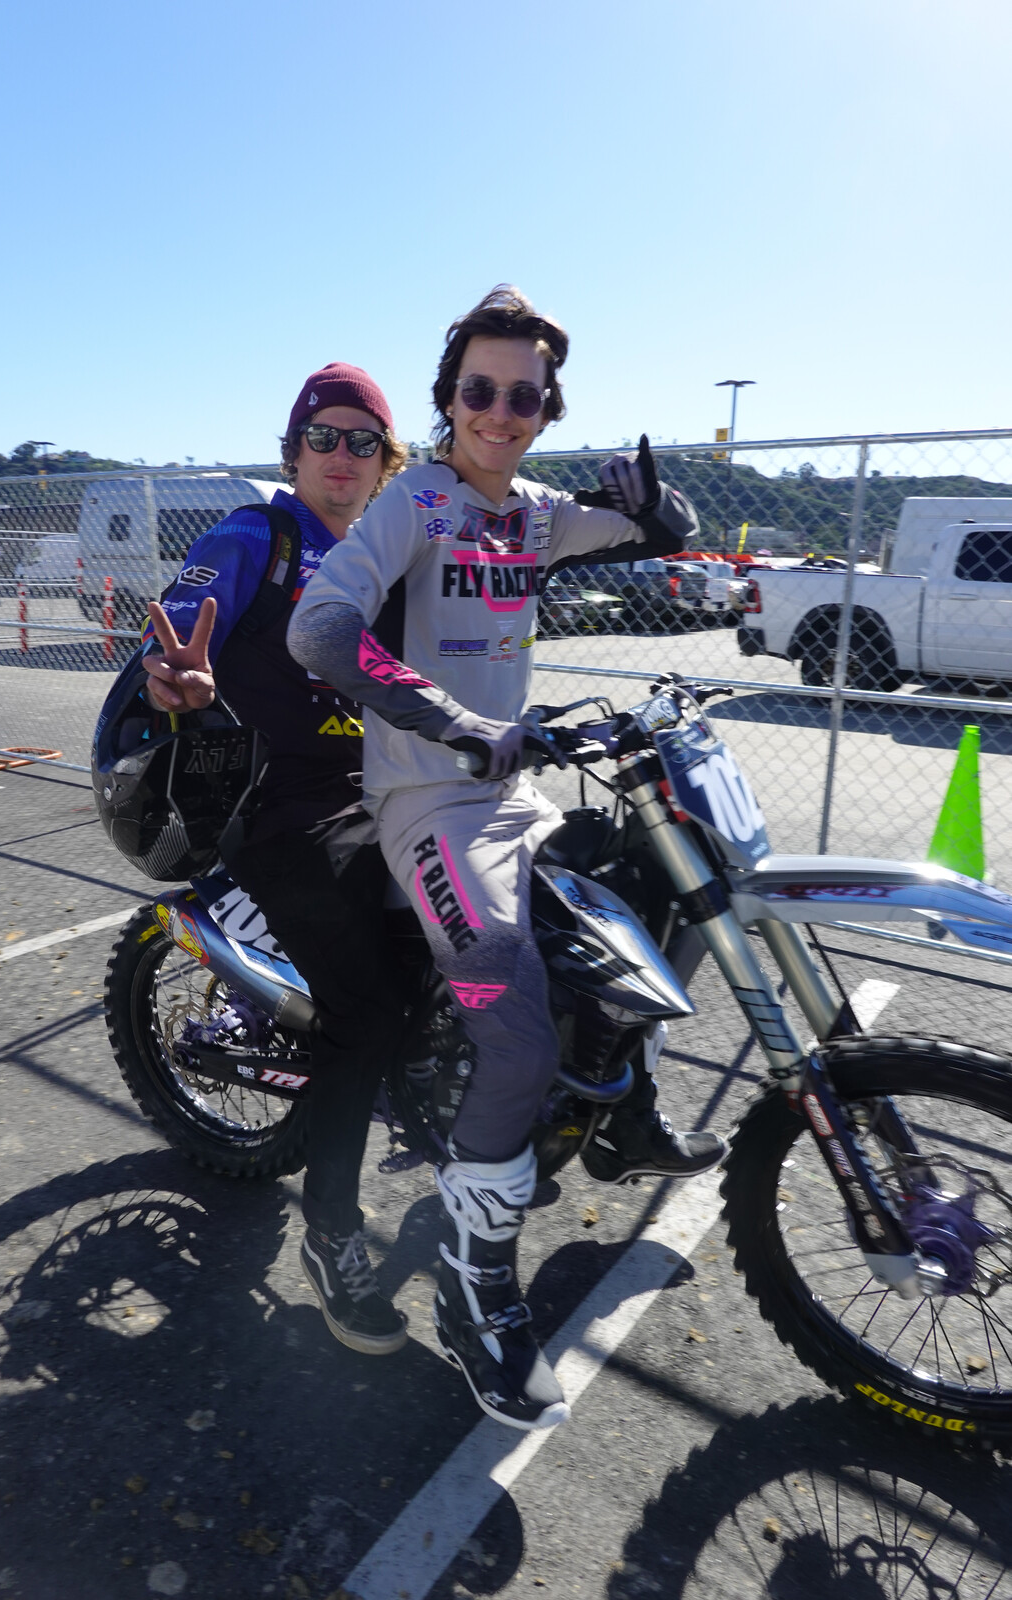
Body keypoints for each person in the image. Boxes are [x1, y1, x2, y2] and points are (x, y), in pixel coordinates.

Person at [288, 288, 728, 1431]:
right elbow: (319, 631)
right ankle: (476, 1290)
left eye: (520, 395)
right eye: (477, 390)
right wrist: (450, 720)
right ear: (448, 400)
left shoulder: (531, 513)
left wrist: (662, 508)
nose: (497, 410)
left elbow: (647, 537)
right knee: (509, 1000)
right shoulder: (415, 501)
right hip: (429, 800)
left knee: (651, 896)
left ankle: (617, 1110)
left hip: (512, 793)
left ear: (542, 409)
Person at [141, 363, 414, 1356]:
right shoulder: (257, 536)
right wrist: (178, 680)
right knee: (369, 1012)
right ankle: (333, 1230)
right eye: (324, 437)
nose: (342, 457)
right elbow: (172, 638)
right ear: (293, 449)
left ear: (387, 465)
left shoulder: (390, 550)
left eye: (363, 443)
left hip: (381, 790)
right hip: (276, 802)